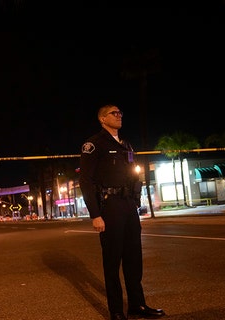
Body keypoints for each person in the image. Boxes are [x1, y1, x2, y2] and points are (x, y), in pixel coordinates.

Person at [79, 104, 165, 320]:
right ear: (102, 119)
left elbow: (133, 174)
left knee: (134, 258)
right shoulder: (93, 144)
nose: (119, 116)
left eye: (120, 113)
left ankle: (137, 305)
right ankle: (116, 311)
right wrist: (95, 214)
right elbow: (86, 181)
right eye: (113, 113)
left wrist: (136, 201)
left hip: (128, 205)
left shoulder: (126, 145)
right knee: (112, 260)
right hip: (109, 206)